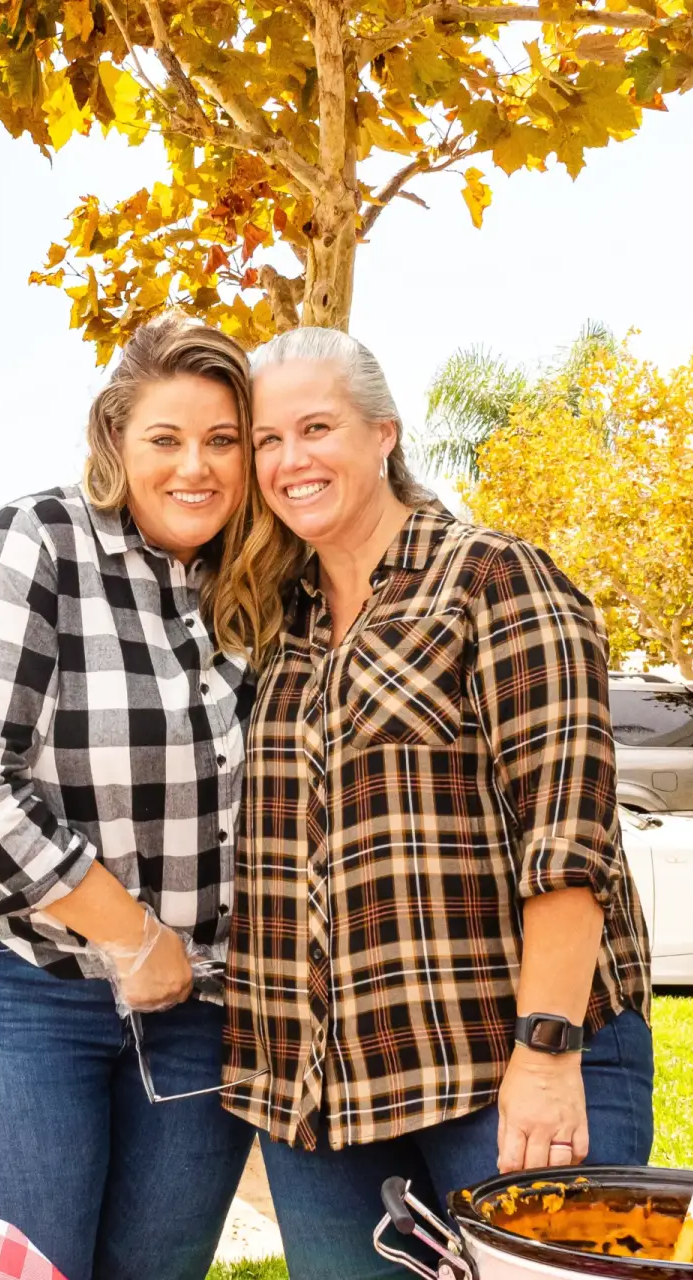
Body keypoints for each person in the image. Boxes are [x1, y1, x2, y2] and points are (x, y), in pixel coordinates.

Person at [221, 327, 655, 1280]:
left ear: (384, 433)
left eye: (317, 427)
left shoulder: (495, 579)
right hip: (322, 1099)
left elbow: (569, 843)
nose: (290, 460)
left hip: (498, 1073)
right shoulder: (275, 629)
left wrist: (545, 1057)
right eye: (265, 441)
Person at [0, 315, 288, 1280]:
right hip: (15, 990)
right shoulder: (33, 545)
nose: (195, 466)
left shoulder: (250, 584)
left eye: (223, 440)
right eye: (166, 438)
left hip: (199, 1016)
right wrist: (134, 939)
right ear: (115, 441)